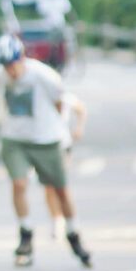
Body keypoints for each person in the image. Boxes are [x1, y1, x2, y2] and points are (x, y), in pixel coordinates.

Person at [0, 34, 91, 268]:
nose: (10, 71)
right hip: (14, 138)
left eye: (12, 65)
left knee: (60, 190)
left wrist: (61, 131)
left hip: (46, 139)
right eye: (5, 66)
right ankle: (25, 233)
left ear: (22, 58)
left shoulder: (44, 76)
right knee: (19, 184)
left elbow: (60, 103)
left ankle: (73, 233)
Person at [46, 91, 86, 241]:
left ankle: (71, 223)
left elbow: (81, 109)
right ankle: (56, 219)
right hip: (44, 147)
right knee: (48, 185)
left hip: (62, 145)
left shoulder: (65, 96)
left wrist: (79, 128)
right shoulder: (40, 95)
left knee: (60, 185)